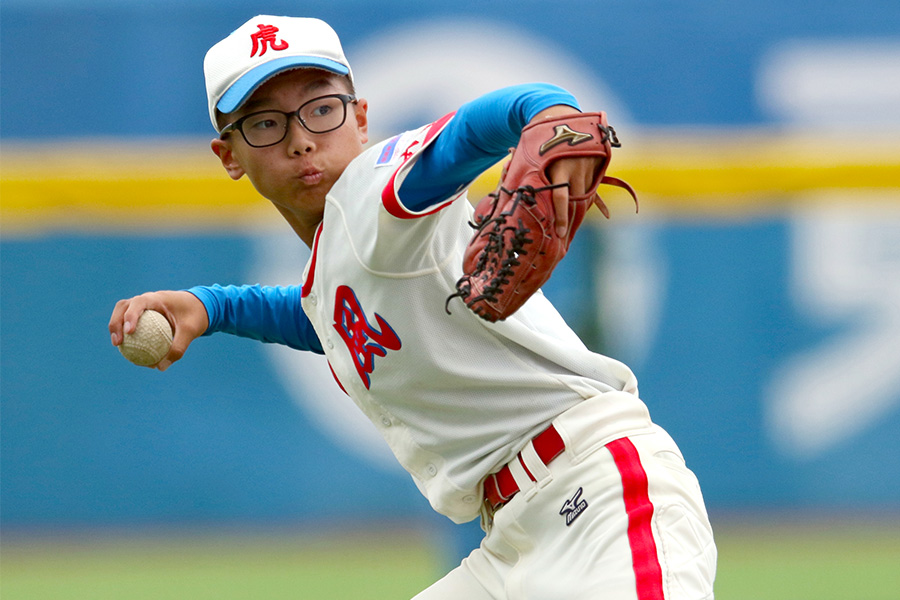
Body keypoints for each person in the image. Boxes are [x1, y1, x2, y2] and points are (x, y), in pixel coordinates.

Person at [109, 15, 717, 599]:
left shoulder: (375, 192)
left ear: (361, 118)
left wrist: (548, 111)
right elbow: (324, 316)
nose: (301, 140)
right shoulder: (343, 259)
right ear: (229, 156)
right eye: (266, 122)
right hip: (516, 539)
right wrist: (210, 307)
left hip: (600, 502)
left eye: (322, 109)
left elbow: (477, 129)